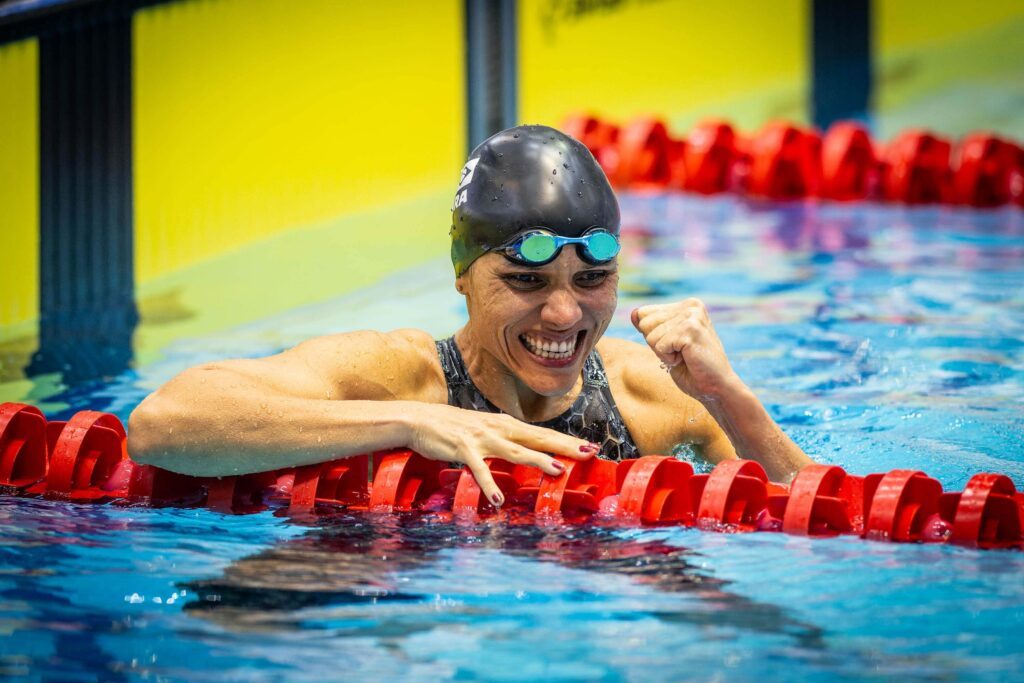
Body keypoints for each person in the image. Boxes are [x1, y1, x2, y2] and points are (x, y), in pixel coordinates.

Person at [128, 125, 813, 506]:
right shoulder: (398, 376)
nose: (566, 313)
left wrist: (732, 399)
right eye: (526, 280)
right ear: (462, 274)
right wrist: (413, 421)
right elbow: (161, 424)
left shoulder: (651, 400)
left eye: (593, 279)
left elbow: (827, 522)